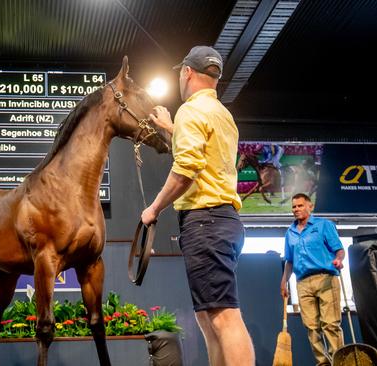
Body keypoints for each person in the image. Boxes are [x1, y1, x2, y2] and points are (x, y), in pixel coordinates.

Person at [141, 45, 255, 365]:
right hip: (222, 221)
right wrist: (169, 129)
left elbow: (187, 170)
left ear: (187, 72)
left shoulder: (190, 110)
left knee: (223, 316)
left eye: (181, 71)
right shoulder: (221, 114)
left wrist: (154, 209)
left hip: (206, 221)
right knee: (208, 316)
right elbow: (203, 153)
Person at [280, 193, 344, 366]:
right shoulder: (290, 232)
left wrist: (339, 259)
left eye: (300, 205)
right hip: (303, 283)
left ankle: (338, 362)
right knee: (311, 327)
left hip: (326, 278)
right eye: (294, 206)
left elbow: (339, 249)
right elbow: (290, 260)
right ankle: (323, 363)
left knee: (330, 325)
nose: (296, 209)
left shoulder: (324, 225)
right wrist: (284, 281)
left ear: (310, 206)